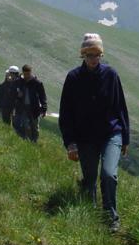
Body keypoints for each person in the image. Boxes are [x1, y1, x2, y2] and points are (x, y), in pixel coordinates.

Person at [58, 33, 129, 232]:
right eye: (88, 54)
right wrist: (70, 143)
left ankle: (110, 216)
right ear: (83, 55)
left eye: (96, 54)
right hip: (85, 137)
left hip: (111, 134)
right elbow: (66, 113)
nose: (93, 58)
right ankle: (90, 213)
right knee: (89, 180)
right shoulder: (73, 78)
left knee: (108, 174)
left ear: (101, 54)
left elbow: (120, 107)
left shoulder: (111, 75)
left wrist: (125, 138)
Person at [13, 64, 47, 142]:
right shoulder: (19, 82)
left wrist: (44, 109)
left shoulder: (37, 83)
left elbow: (42, 96)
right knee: (25, 125)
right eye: (25, 74)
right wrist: (18, 95)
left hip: (34, 108)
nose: (26, 76)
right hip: (23, 107)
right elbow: (13, 92)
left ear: (31, 72)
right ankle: (26, 140)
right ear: (22, 72)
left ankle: (34, 141)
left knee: (34, 126)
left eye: (28, 74)